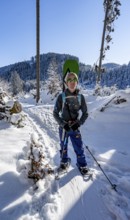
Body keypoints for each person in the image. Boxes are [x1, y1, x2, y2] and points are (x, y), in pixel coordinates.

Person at [53, 60, 89, 175]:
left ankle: (82, 165)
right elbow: (55, 113)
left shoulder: (80, 97)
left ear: (77, 82)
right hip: (64, 127)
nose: (72, 82)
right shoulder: (61, 97)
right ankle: (64, 162)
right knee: (63, 146)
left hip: (75, 127)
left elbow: (85, 113)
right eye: (69, 80)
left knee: (78, 147)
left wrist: (79, 123)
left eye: (74, 80)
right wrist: (62, 124)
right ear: (66, 82)